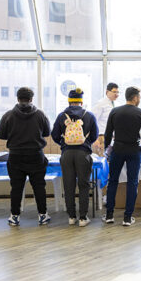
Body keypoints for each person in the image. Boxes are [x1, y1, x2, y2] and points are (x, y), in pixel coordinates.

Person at [0, 87, 52, 227]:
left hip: (15, 156)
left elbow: (1, 135)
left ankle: (14, 216)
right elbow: (47, 132)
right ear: (31, 99)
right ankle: (42, 215)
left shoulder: (8, 115)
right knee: (39, 186)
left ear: (18, 98)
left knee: (16, 187)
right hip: (36, 155)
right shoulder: (40, 115)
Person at [103, 86, 141, 226]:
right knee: (132, 183)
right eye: (139, 97)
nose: (139, 99)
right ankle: (127, 218)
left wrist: (107, 149)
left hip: (117, 149)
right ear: (135, 97)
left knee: (113, 182)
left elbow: (107, 134)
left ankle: (109, 215)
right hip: (134, 150)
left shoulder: (115, 111)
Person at [50, 88, 98, 227]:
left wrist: (64, 143)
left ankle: (71, 217)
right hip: (83, 154)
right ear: (81, 102)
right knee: (83, 185)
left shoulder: (61, 116)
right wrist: (85, 142)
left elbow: (54, 135)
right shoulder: (89, 115)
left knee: (68, 185)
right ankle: (83, 218)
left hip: (66, 154)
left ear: (69, 101)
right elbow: (94, 135)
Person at [91, 83, 119, 156]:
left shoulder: (114, 104)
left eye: (117, 92)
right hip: (101, 137)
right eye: (114, 92)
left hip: (112, 138)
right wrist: (95, 139)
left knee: (109, 162)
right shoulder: (101, 103)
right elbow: (92, 121)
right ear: (107, 92)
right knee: (102, 161)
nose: (116, 94)